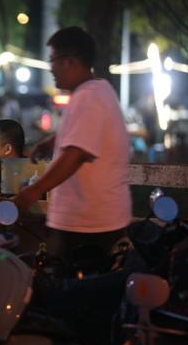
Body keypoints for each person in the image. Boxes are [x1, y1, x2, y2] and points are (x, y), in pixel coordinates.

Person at [13, 26, 131, 260]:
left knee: (67, 292)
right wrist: (52, 142)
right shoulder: (100, 89)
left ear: (69, 61)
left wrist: (32, 193)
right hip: (96, 220)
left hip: (87, 225)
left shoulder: (88, 98)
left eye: (53, 60)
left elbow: (75, 154)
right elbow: (85, 134)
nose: (51, 68)